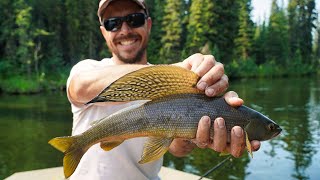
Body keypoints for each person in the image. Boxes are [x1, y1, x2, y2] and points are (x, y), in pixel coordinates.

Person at [66, 0, 261, 179]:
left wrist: (196, 133)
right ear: (103, 32)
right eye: (113, 23)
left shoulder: (177, 86)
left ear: (148, 24)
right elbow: (81, 87)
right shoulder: (87, 69)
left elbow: (178, 149)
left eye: (134, 19)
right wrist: (178, 71)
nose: (124, 30)